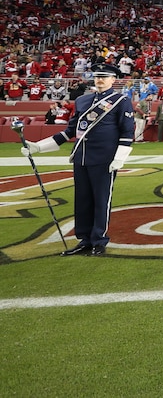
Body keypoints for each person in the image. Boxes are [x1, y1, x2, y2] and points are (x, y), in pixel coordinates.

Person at [21, 63, 134, 256]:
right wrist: (39, 147)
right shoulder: (82, 100)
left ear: (113, 80)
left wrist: (119, 158)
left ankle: (99, 240)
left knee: (101, 200)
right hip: (81, 157)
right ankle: (84, 240)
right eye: (97, 76)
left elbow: (127, 132)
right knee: (82, 200)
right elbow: (70, 131)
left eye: (104, 76)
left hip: (104, 159)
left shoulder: (121, 101)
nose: (100, 79)